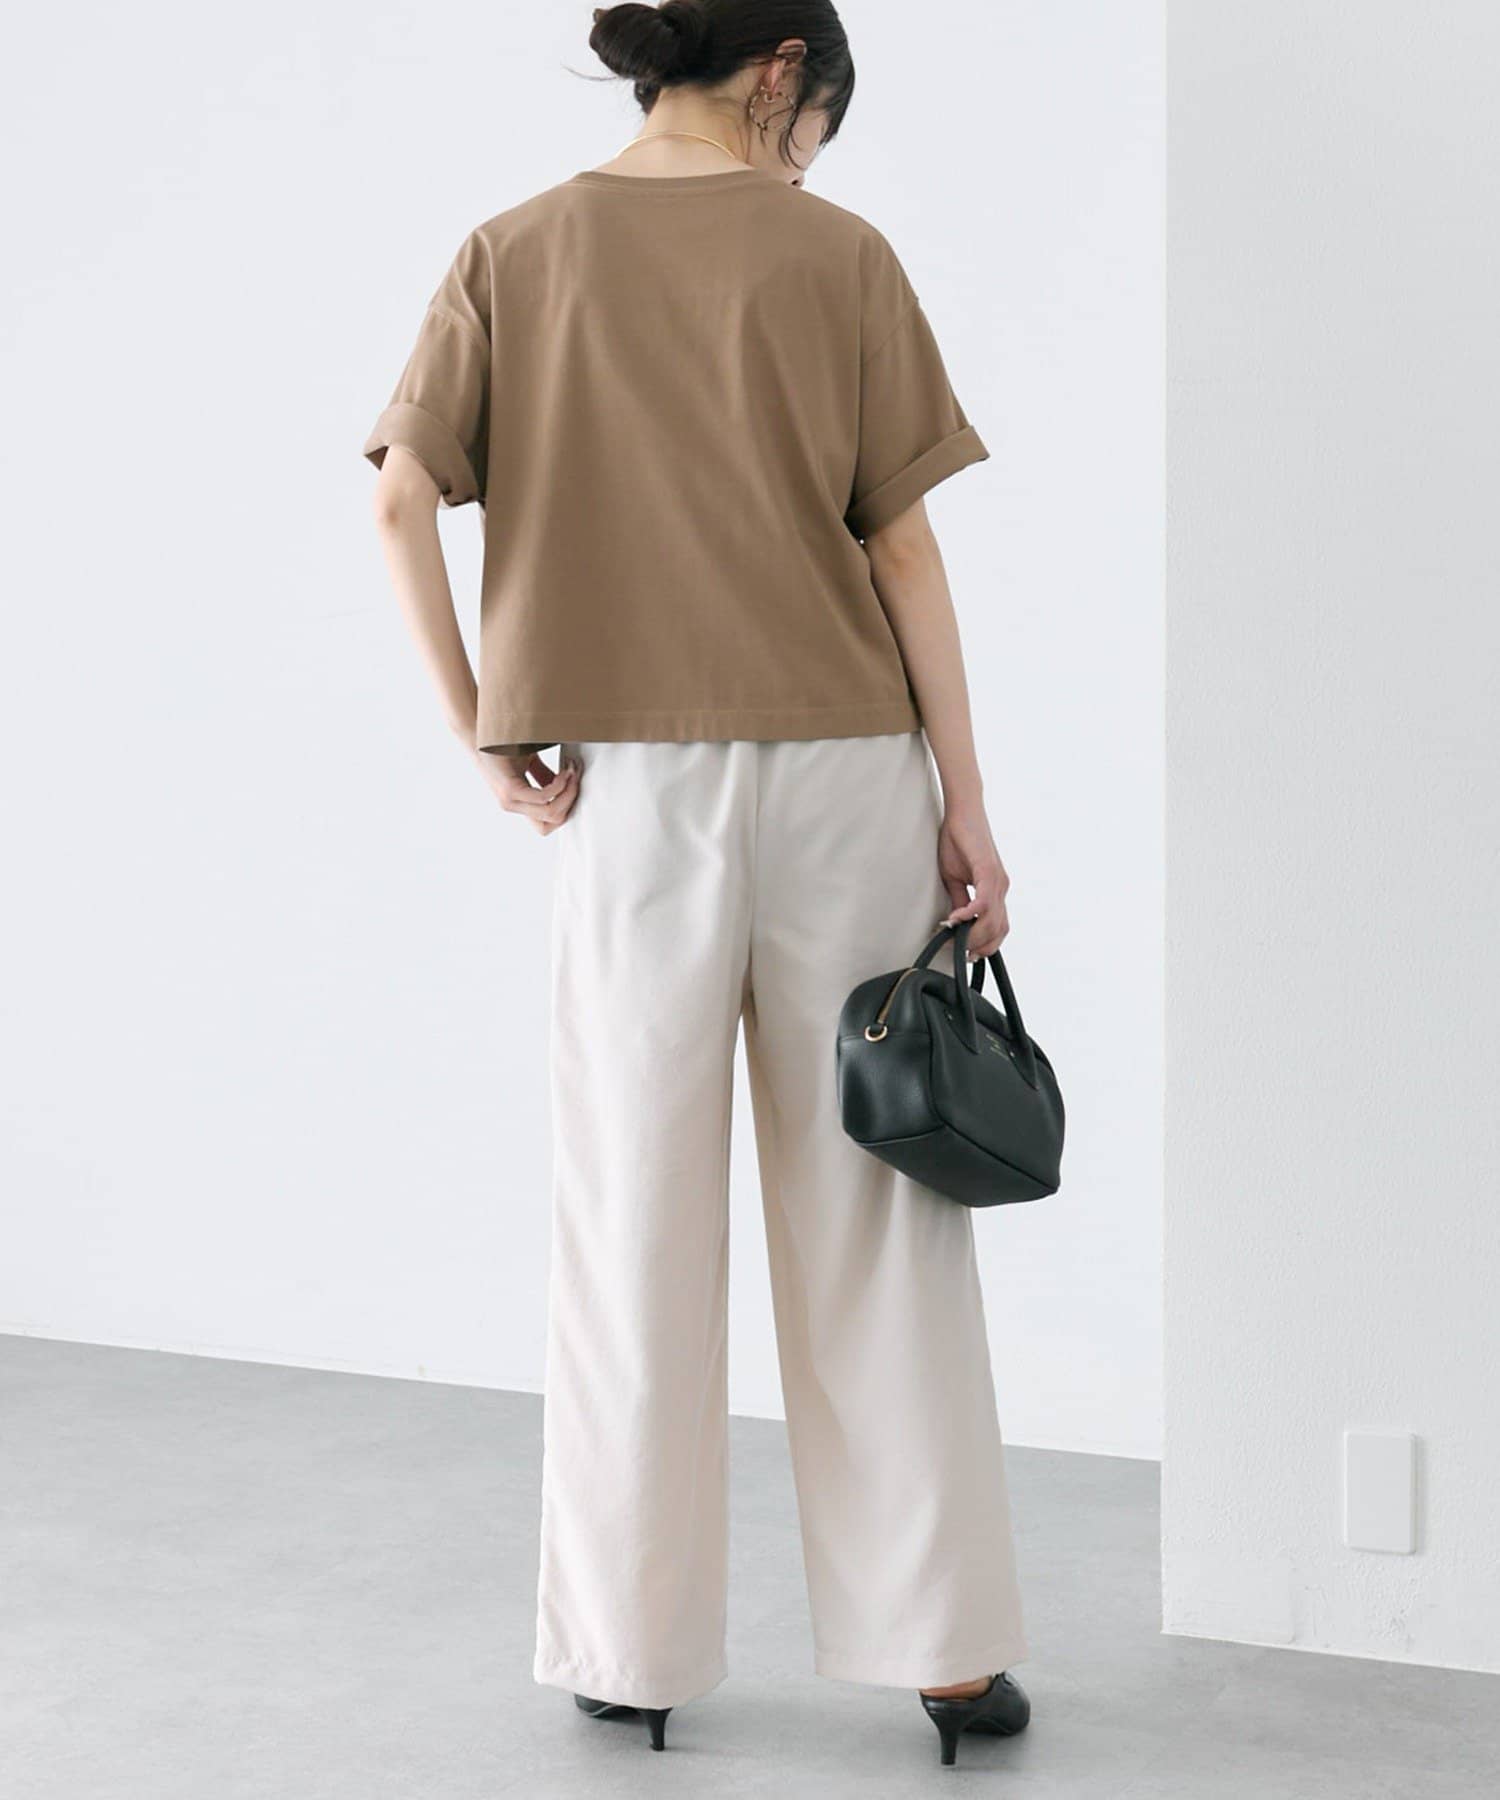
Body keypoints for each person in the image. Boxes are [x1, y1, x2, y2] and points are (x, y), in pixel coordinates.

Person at [363, 0, 1030, 1768]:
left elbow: (401, 500)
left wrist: (484, 727)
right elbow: (904, 547)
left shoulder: (512, 251)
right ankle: (946, 1657)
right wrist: (968, 804)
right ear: (782, 73)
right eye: (815, 129)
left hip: (630, 793)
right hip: (847, 776)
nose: (806, 167)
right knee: (879, 1204)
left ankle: (629, 1650)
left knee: (631, 1209)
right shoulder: (841, 256)